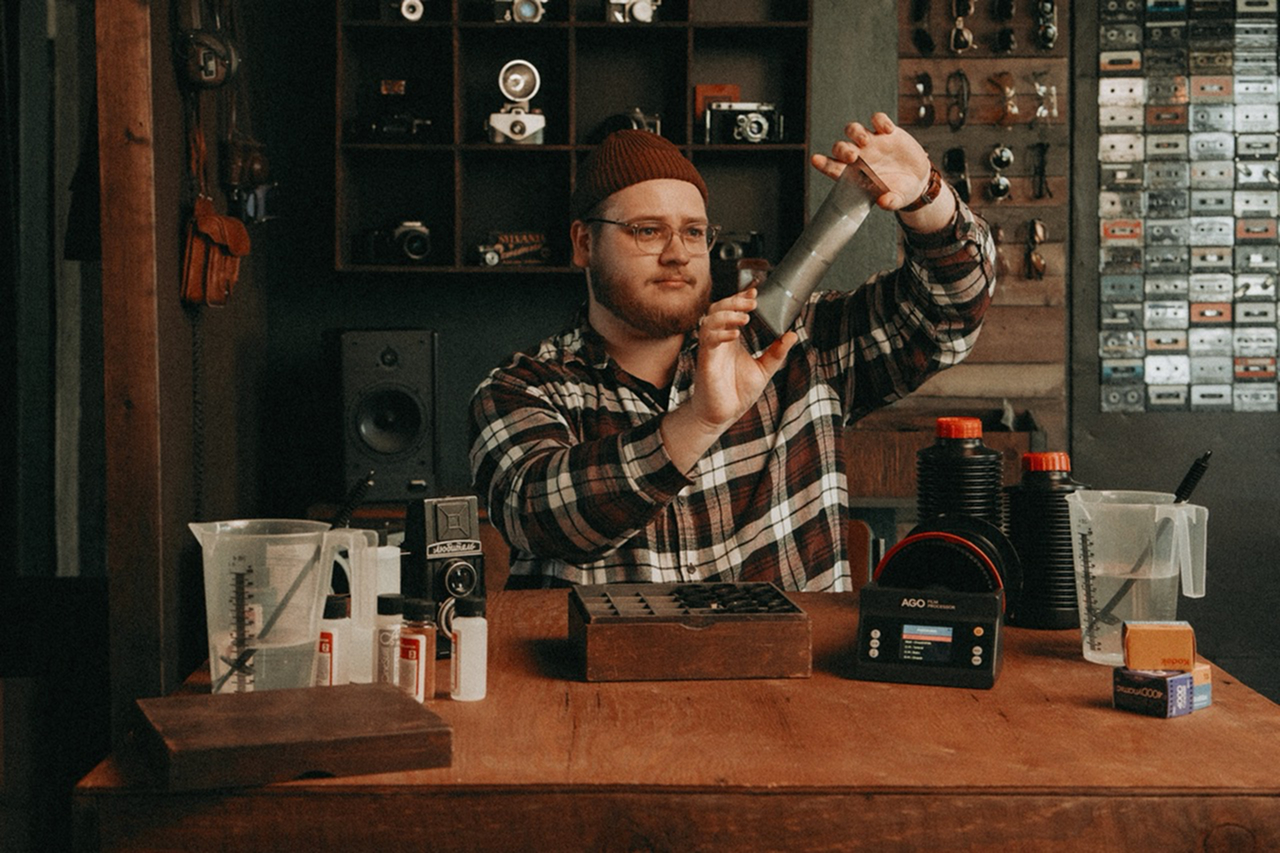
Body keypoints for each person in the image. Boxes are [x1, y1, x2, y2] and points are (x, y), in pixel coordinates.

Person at [469, 113, 996, 591]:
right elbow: (536, 515)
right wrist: (698, 421)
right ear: (584, 243)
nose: (677, 254)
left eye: (693, 232)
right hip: (610, 692)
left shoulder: (797, 345)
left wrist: (930, 200)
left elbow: (945, 320)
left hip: (787, 688)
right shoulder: (520, 388)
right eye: (647, 230)